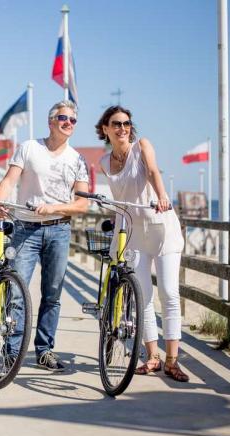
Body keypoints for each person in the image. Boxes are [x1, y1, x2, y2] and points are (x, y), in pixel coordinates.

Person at [95, 105, 189, 382]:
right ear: (106, 129)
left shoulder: (142, 146)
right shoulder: (103, 161)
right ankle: (152, 357)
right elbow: (118, 197)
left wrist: (162, 196)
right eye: (116, 124)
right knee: (142, 298)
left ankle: (173, 360)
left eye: (126, 123)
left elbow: (152, 172)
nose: (122, 128)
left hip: (162, 227)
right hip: (134, 232)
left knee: (169, 293)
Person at [0, 100, 89, 372]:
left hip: (59, 229)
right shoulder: (29, 148)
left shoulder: (77, 159)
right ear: (51, 122)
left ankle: (45, 350)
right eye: (63, 118)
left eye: (72, 120)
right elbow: (9, 181)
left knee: (52, 294)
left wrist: (55, 207)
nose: (68, 123)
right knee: (16, 291)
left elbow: (82, 204)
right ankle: (13, 352)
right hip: (26, 228)